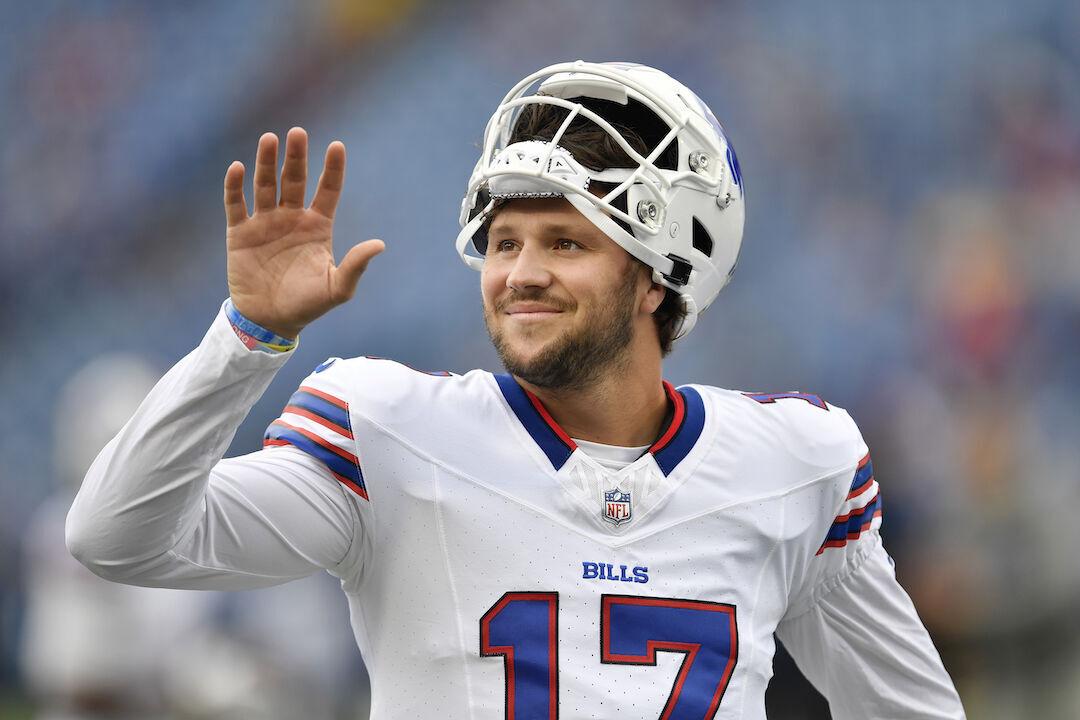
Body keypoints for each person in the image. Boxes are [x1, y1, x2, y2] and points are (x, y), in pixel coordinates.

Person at [67, 61, 965, 719]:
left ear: (661, 275)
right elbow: (117, 538)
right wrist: (248, 339)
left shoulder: (794, 466)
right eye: (504, 242)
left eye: (565, 243)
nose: (520, 273)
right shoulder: (388, 432)